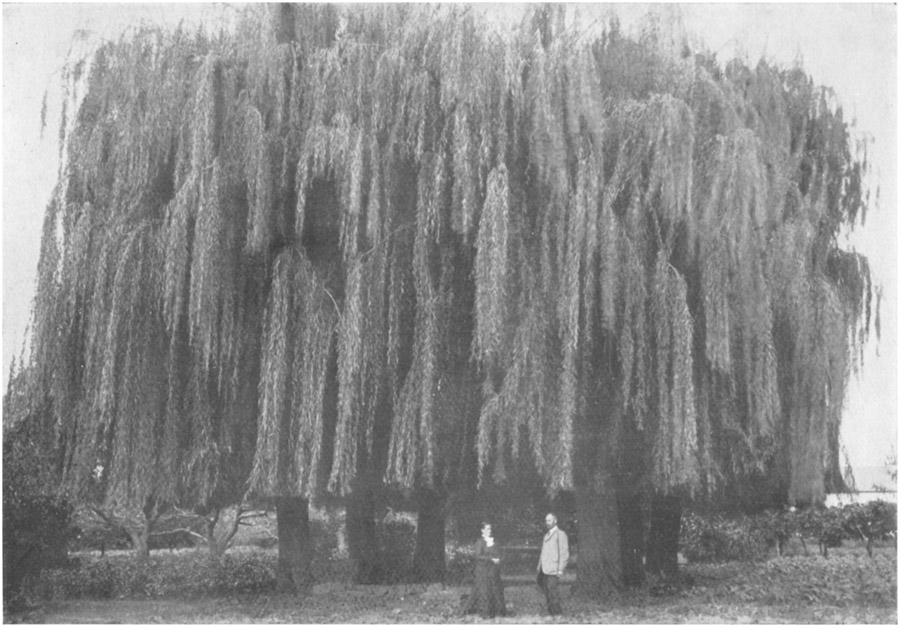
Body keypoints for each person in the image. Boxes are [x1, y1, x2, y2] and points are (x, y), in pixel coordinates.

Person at [465, 521, 507, 618]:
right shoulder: (479, 542)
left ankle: (498, 612)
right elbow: (477, 556)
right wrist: (491, 559)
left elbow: (499, 553)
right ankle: (486, 613)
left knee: (496, 590)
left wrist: (499, 559)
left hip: (493, 571)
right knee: (485, 591)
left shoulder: (494, 542)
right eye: (487, 529)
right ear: (482, 530)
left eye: (490, 528)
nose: (490, 530)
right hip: (482, 570)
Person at [536, 512, 569, 616]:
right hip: (544, 569)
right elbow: (543, 552)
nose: (547, 523)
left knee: (553, 592)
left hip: (554, 569)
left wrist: (560, 569)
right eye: (546, 520)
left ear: (555, 521)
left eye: (549, 520)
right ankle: (551, 612)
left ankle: (557, 614)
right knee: (546, 591)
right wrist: (539, 566)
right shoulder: (546, 535)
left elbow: (564, 553)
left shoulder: (561, 534)